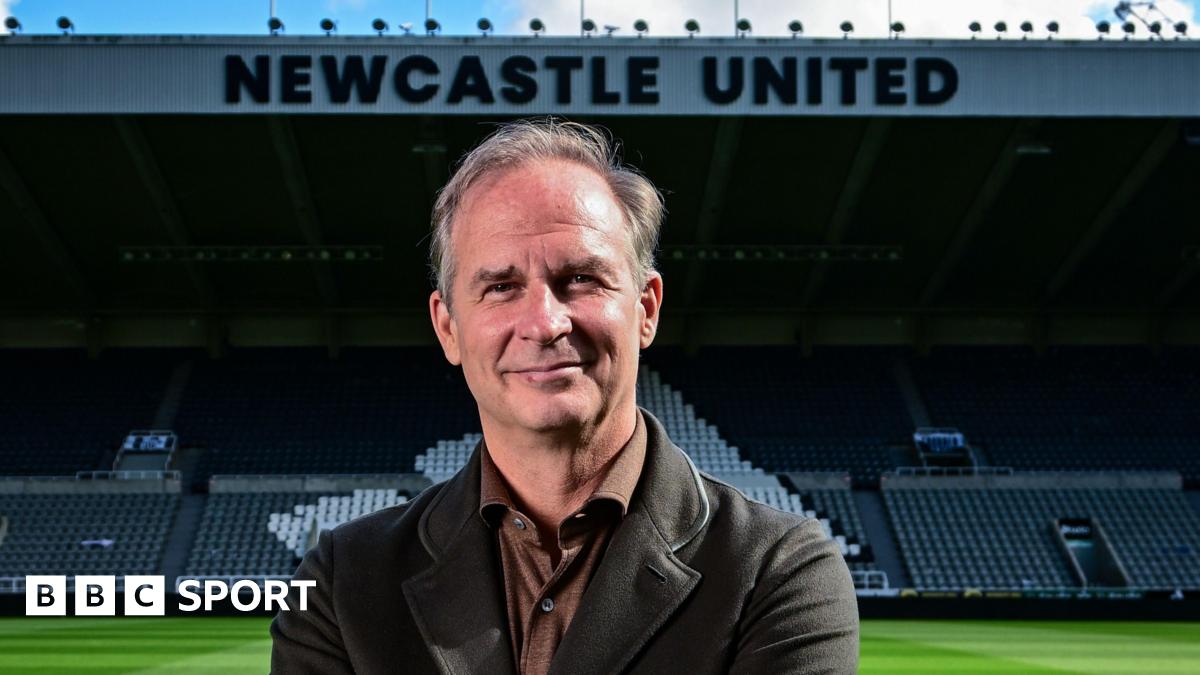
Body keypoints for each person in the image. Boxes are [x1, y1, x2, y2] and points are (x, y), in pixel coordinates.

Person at [270, 119, 859, 674]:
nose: (545, 323)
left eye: (580, 279)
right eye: (501, 287)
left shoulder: (780, 568)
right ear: (448, 327)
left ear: (646, 309)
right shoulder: (342, 581)